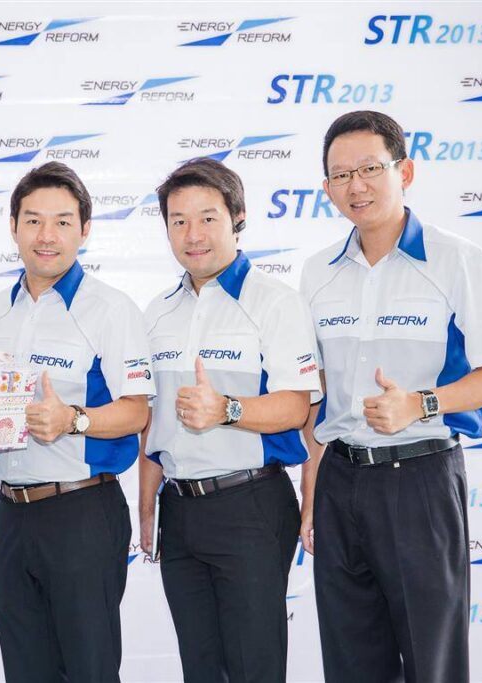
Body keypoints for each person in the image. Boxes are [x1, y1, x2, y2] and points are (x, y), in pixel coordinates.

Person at [299, 110, 482, 683]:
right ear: (327, 188)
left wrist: (420, 403)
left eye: (370, 168)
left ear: (406, 171)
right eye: (341, 175)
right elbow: (320, 400)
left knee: (432, 661)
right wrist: (312, 494)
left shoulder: (457, 258)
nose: (356, 185)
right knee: (350, 663)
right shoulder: (317, 273)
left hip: (420, 479)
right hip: (340, 481)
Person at [138, 157, 321, 683]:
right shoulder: (157, 312)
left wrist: (226, 410)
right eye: (178, 221)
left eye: (207, 218)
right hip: (178, 509)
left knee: (252, 666)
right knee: (199, 667)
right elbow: (153, 420)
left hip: (251, 505)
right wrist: (147, 505)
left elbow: (297, 406)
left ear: (237, 218)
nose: (192, 234)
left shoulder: (275, 301)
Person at [0, 161, 155, 682]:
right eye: (33, 220)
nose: (46, 235)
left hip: (81, 512)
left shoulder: (111, 309)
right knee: (25, 671)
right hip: (11, 513)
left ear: (85, 230)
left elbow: (137, 411)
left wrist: (71, 420)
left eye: (62, 222)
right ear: (13, 227)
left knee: (89, 671)